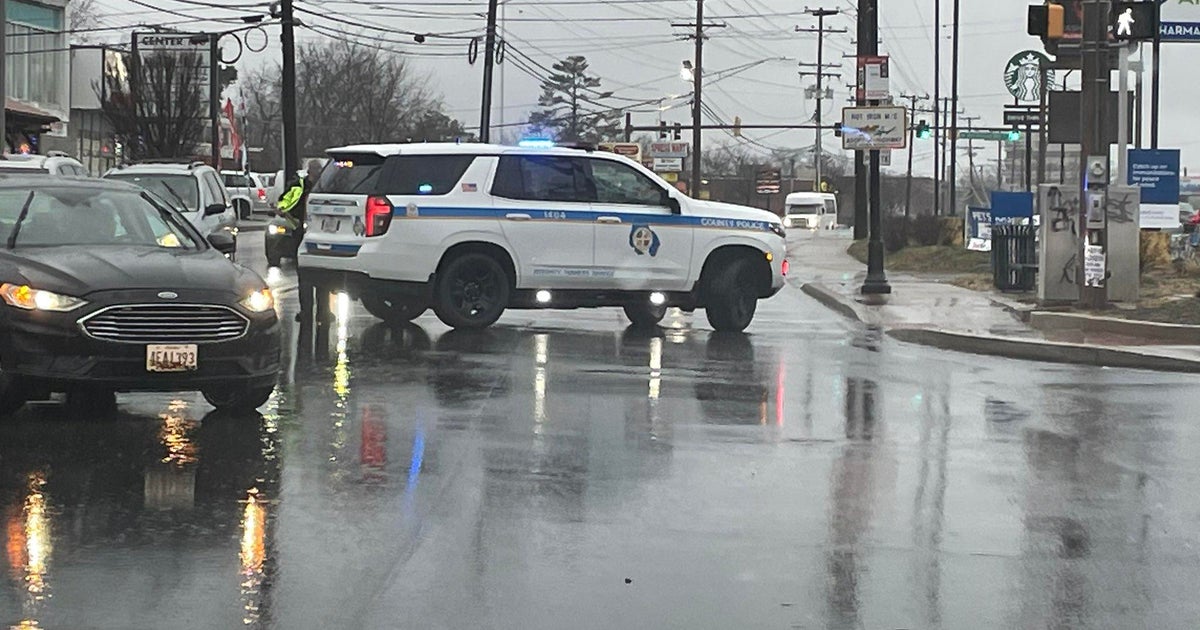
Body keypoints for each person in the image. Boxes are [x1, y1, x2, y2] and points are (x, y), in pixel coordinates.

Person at [276, 159, 323, 230]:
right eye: (316, 168)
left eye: (320, 168)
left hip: (316, 219)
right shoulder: (299, 184)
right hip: (298, 219)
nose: (319, 171)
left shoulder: (323, 185)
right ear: (310, 169)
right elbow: (287, 198)